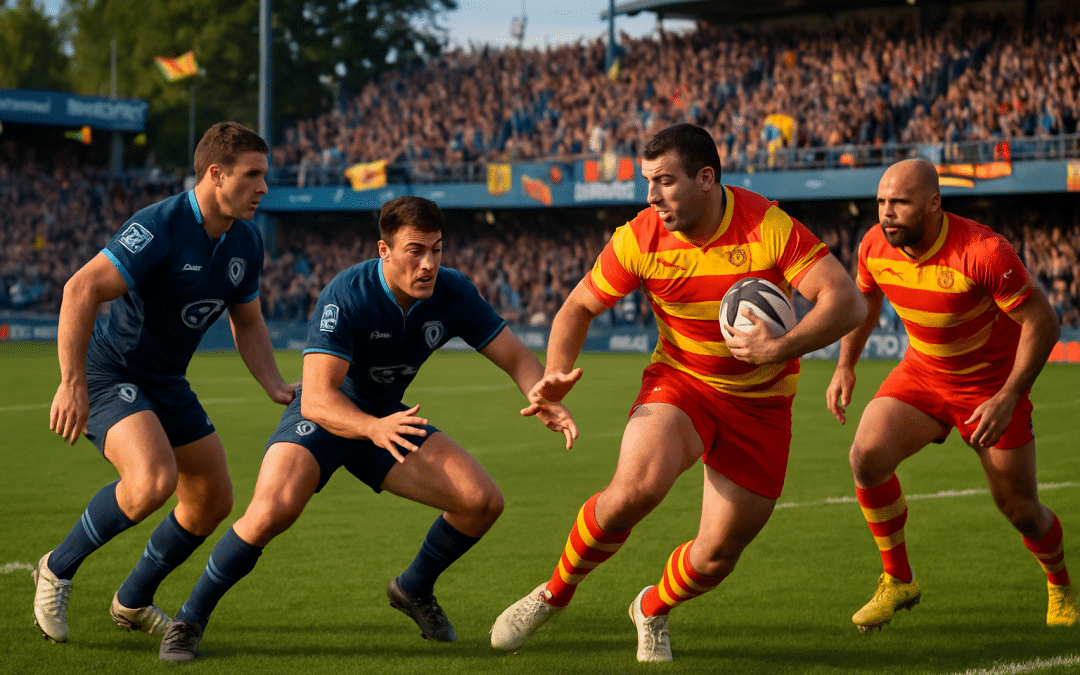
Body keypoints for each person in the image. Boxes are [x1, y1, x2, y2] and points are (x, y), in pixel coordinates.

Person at [489, 123, 867, 662]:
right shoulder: (640, 237)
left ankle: (651, 606)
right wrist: (555, 372)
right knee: (635, 489)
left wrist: (777, 349)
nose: (651, 196)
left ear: (706, 178)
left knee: (716, 556)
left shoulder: (768, 226)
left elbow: (845, 303)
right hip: (682, 382)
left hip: (761, 408)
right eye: (648, 182)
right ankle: (553, 594)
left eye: (665, 182)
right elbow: (577, 308)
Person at [157, 195, 578, 662]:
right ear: (384, 250)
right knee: (273, 509)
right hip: (322, 419)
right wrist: (371, 427)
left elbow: (517, 357)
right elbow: (316, 397)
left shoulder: (453, 292)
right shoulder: (348, 293)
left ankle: (413, 588)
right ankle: (188, 620)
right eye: (415, 251)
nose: (428, 264)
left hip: (385, 421)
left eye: (437, 250)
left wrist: (540, 395)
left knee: (481, 502)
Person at [35, 122, 297, 644]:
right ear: (215, 174)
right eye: (253, 175)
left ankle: (132, 600)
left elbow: (247, 320)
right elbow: (80, 288)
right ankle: (56, 568)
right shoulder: (159, 225)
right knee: (152, 481)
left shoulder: (245, 240)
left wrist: (274, 384)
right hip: (113, 375)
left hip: (167, 382)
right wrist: (71, 382)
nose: (264, 187)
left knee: (212, 500)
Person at [826, 158, 1078, 632]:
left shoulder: (983, 251)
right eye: (882, 202)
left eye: (899, 203)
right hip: (922, 374)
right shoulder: (873, 245)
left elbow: (1043, 323)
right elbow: (867, 301)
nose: (886, 213)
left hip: (989, 388)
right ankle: (899, 579)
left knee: (1020, 509)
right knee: (866, 456)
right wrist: (845, 365)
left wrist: (1008, 396)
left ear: (934, 204)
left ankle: (1060, 582)